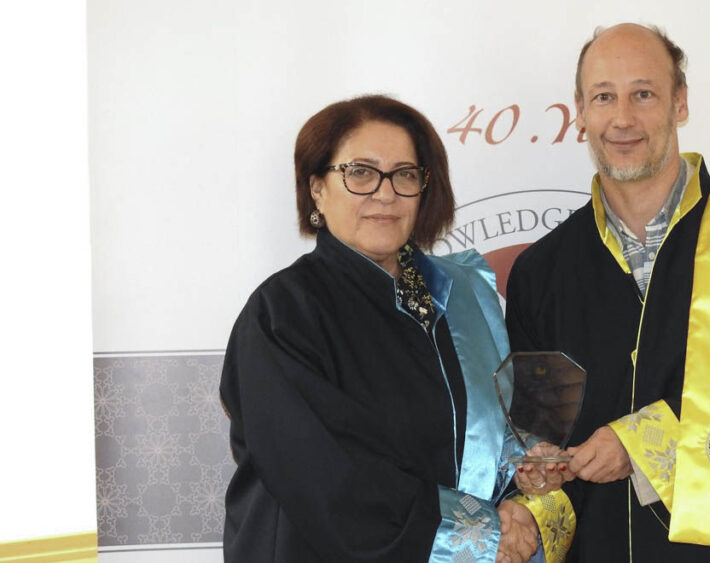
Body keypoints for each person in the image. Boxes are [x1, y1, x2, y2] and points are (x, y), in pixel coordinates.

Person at [505, 24, 710, 561]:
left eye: (643, 94)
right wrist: (535, 493)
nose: (622, 118)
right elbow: (542, 442)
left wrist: (641, 445)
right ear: (581, 112)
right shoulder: (540, 273)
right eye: (604, 97)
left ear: (680, 103)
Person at [220, 94, 568, 562]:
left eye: (404, 174)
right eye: (360, 173)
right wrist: (481, 533)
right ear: (317, 188)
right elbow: (329, 474)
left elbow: (481, 435)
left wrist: (524, 471)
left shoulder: (460, 293)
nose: (385, 194)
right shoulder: (283, 313)